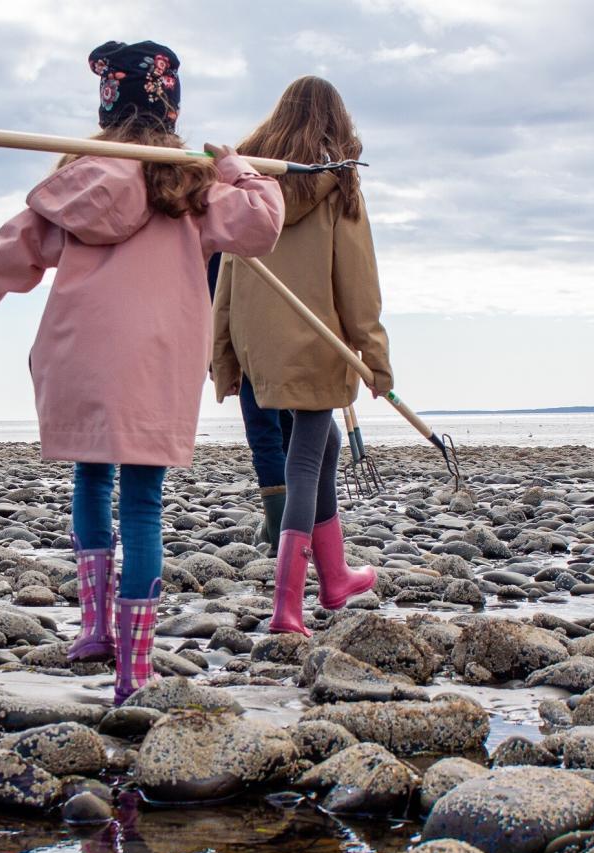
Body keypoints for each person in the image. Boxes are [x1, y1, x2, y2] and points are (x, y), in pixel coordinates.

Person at [0, 40, 284, 704]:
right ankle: (134, 670)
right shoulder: (190, 182)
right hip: (156, 360)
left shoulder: (80, 176)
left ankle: (95, 628)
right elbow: (263, 226)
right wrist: (240, 170)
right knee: (144, 504)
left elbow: (19, 243)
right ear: (169, 107)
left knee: (91, 477)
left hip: (81, 353)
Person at [211, 76, 393, 635]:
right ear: (335, 124)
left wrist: (225, 355)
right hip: (316, 342)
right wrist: (376, 354)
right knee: (307, 458)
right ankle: (287, 607)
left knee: (327, 441)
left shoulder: (251, 189)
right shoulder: (339, 186)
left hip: (260, 340)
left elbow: (226, 275)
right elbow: (356, 281)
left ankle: (335, 576)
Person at [207, 253, 292, 551]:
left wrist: (218, 355)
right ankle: (291, 530)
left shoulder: (226, 223)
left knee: (267, 435)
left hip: (250, 340)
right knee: (291, 432)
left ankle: (281, 532)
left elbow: (217, 294)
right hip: (295, 334)